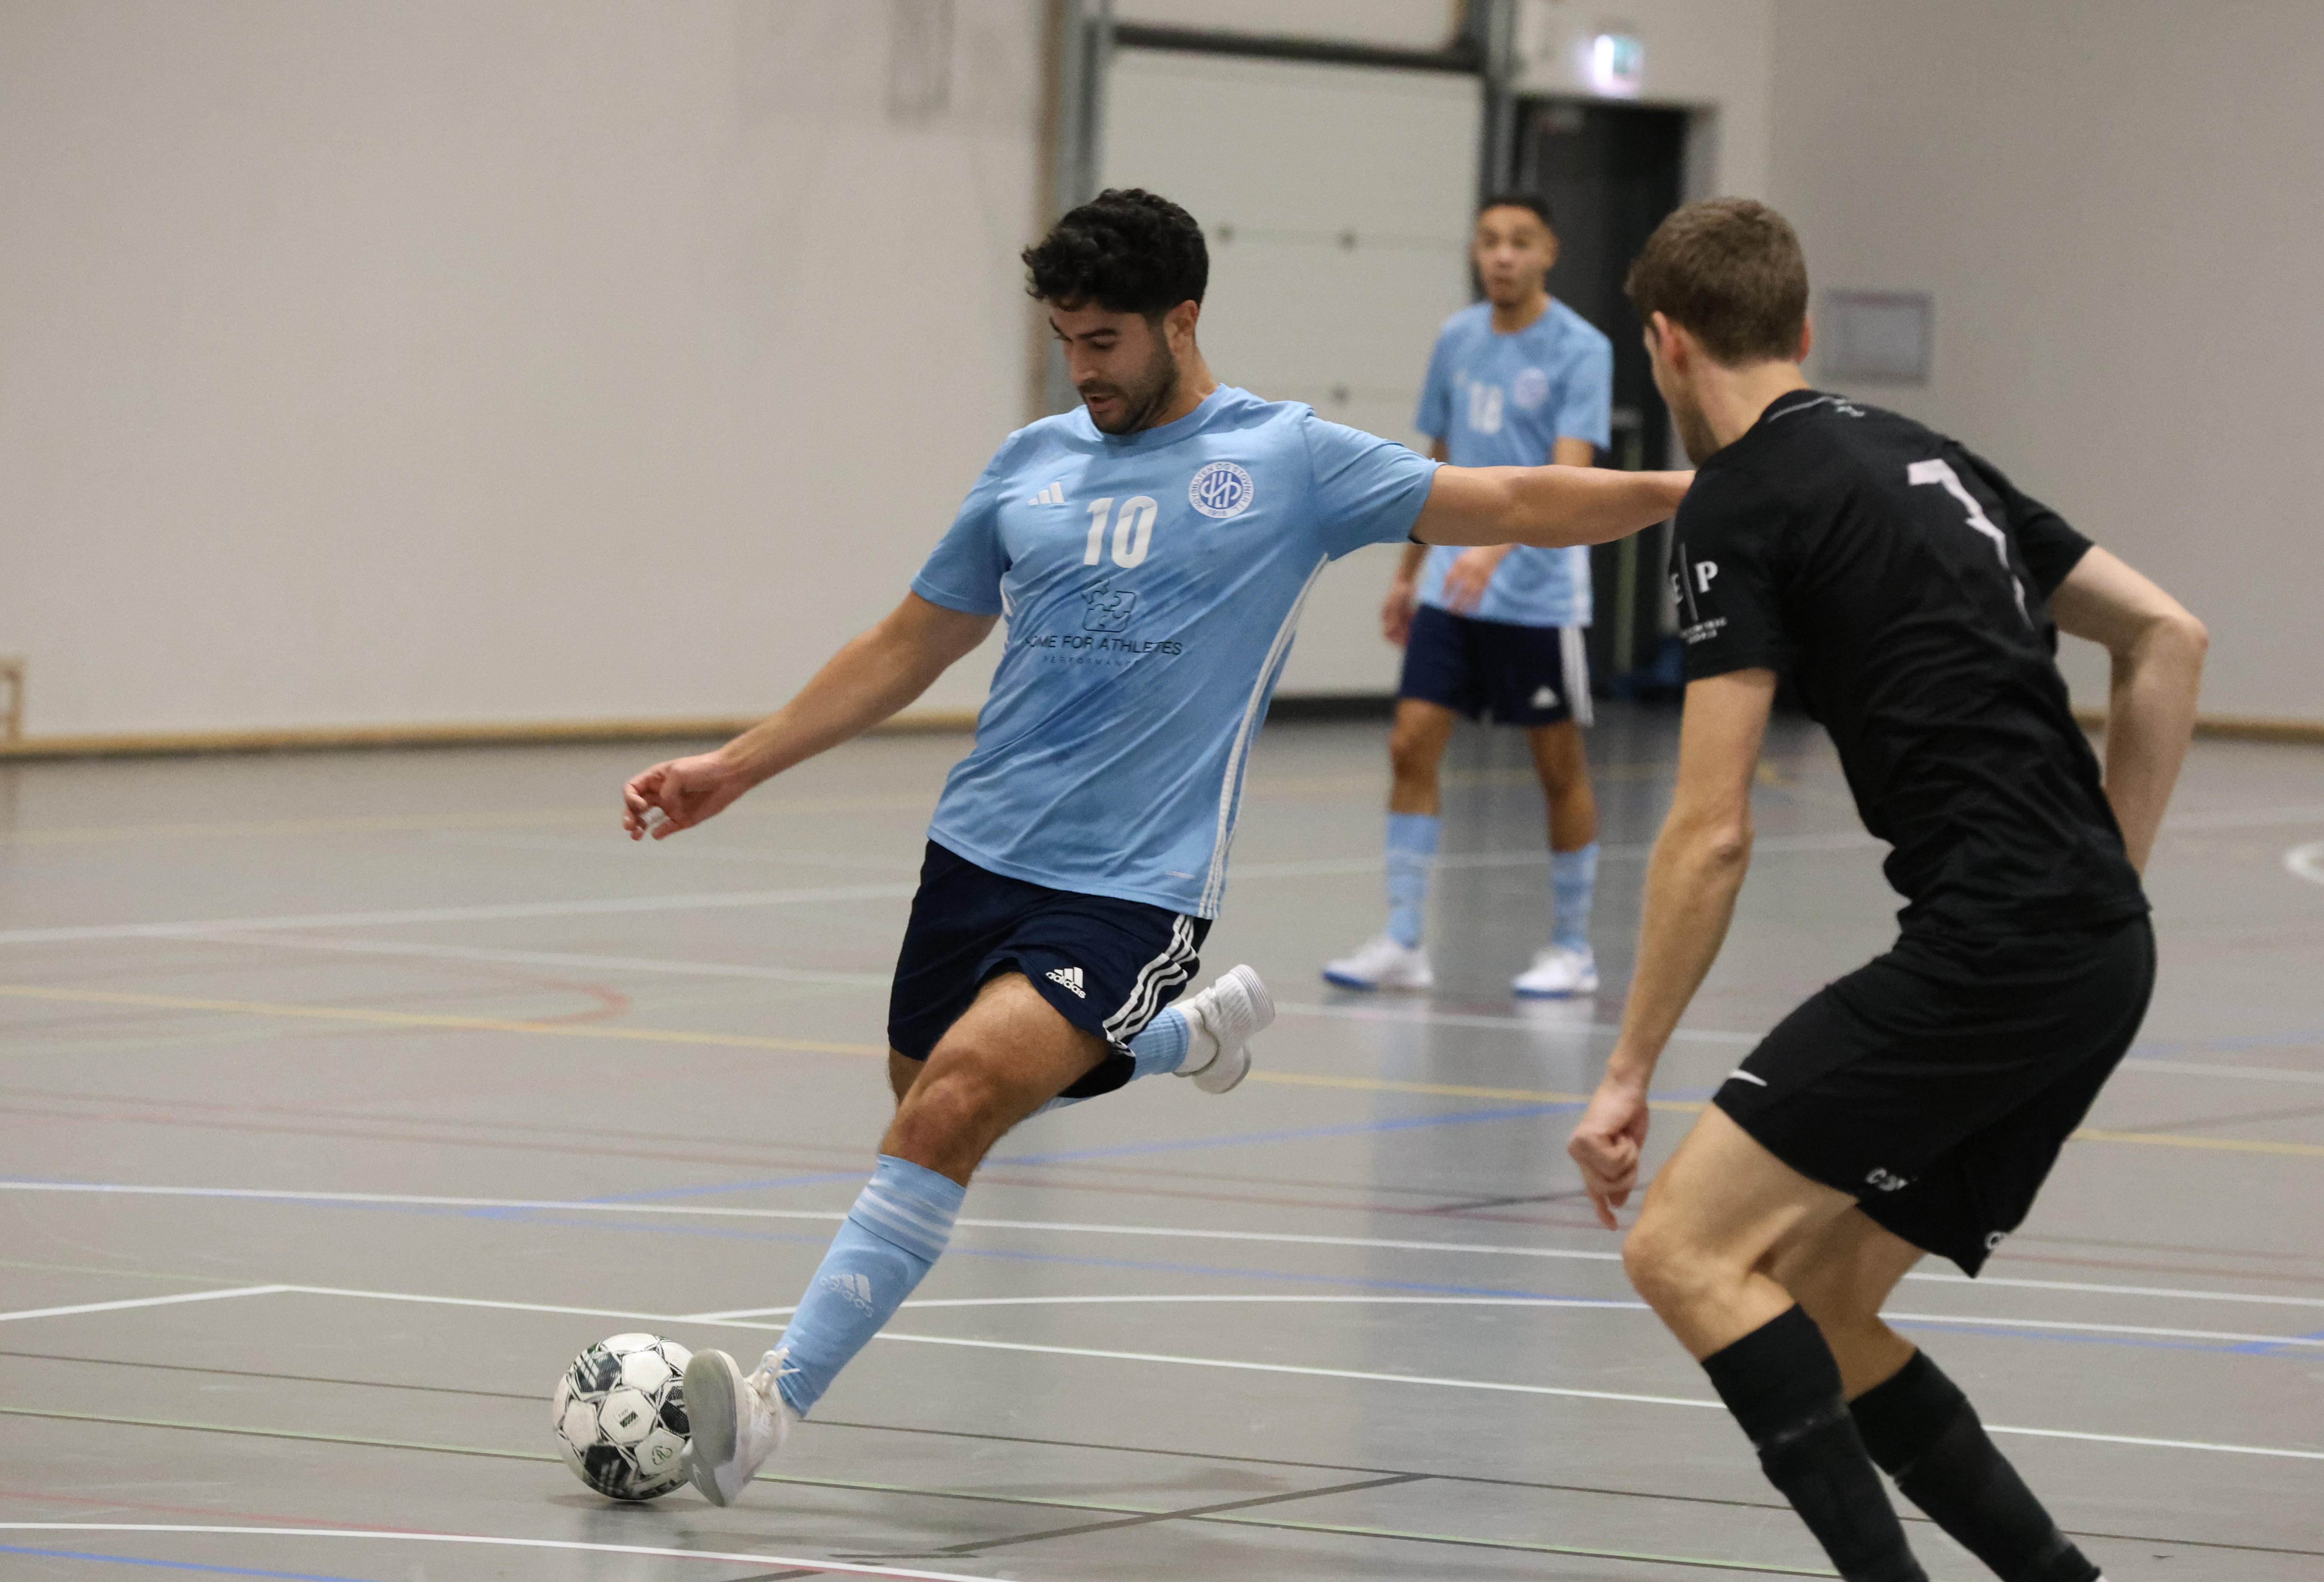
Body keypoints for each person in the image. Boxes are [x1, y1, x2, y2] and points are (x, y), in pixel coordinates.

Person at [623, 188, 1694, 1509]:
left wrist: (1703, 492)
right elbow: (908, 642)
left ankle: (770, 1407)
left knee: (954, 1104)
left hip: (1136, 881)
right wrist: (734, 765)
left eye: (1105, 342)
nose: (1084, 369)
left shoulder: (1291, 462)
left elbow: (1520, 498)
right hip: (977, 850)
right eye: (1065, 341)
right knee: (928, 1096)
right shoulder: (1029, 464)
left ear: (1181, 322)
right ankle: (1186, 1038)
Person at [1564, 199, 2214, 1582]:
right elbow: (2168, 637)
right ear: (1800, 330)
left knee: (1681, 1248)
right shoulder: (1933, 458)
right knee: (1824, 1300)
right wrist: (2105, 883)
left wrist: (1626, 1071)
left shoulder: (1739, 498)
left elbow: (1710, 829)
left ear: (1665, 342)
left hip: (1994, 948)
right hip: (2093, 955)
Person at [1323, 191, 1618, 999]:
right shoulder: (1456, 339)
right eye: (1489, 241)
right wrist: (1407, 573)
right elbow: (1437, 461)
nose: (1503, 256)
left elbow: (1570, 476)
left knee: (1558, 768)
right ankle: (1403, 939)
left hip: (1538, 596)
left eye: (1520, 241)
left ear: (1548, 251)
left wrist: (1494, 550)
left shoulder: (1582, 349)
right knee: (1409, 745)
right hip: (1453, 589)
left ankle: (1572, 948)